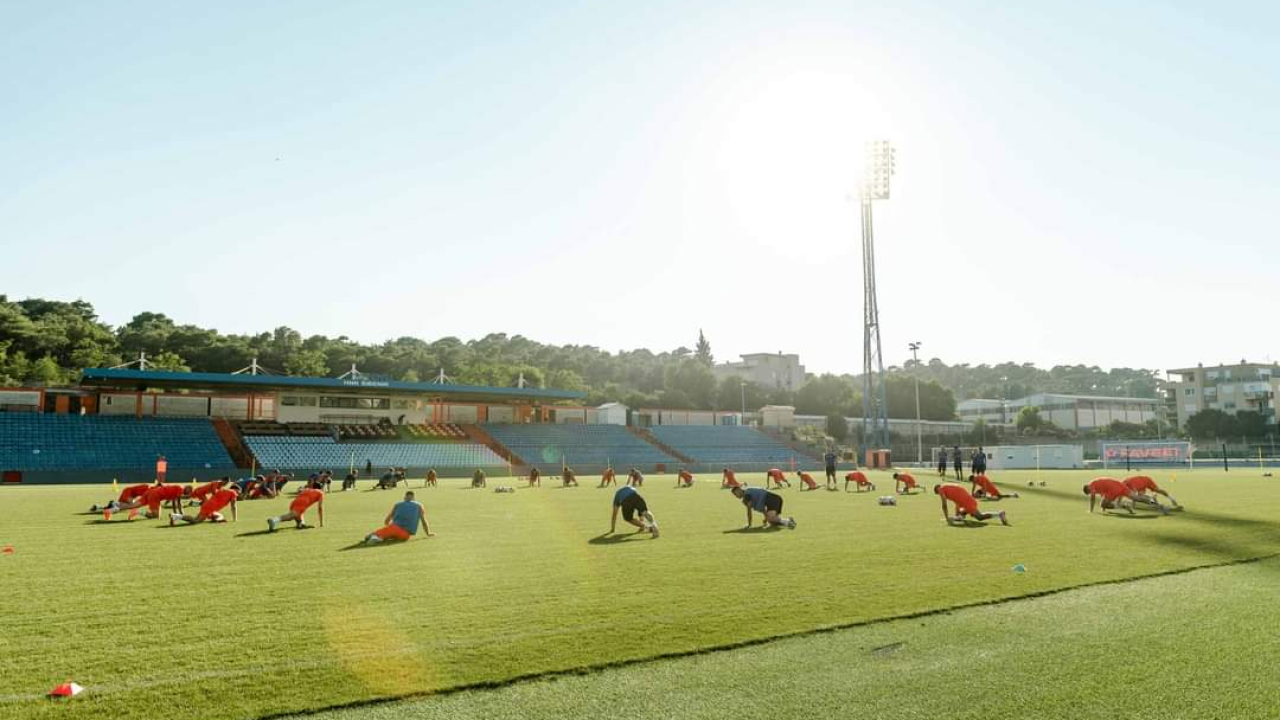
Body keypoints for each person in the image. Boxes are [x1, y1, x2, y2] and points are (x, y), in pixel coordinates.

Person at [362, 491, 433, 544]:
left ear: (405, 497)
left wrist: (389, 526)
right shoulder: (419, 505)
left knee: (388, 530)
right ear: (414, 498)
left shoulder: (398, 504)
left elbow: (387, 520)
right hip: (406, 535)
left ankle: (375, 536)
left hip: (396, 528)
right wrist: (428, 533)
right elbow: (424, 521)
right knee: (390, 532)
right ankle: (378, 536)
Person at [935, 483, 1009, 526]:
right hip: (968, 500)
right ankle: (959, 517)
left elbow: (944, 505)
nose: (940, 495)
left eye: (938, 494)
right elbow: (957, 500)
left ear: (937, 490)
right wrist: (956, 515)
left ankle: (999, 514)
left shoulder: (941, 489)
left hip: (967, 502)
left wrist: (947, 517)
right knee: (960, 514)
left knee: (980, 517)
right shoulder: (947, 487)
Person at [1084, 477, 1167, 515]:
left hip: (1113, 489)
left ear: (1088, 489)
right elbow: (1104, 493)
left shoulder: (1092, 486)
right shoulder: (1096, 483)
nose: (1091, 494)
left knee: (1102, 504)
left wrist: (1091, 510)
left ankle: (1122, 505)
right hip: (1120, 485)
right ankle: (1158, 505)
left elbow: (1093, 499)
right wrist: (1104, 506)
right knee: (1137, 498)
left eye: (1089, 493)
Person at [731, 486, 795, 529]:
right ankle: (788, 521)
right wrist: (766, 518)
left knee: (771, 519)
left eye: (735, 493)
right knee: (772, 522)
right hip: (775, 499)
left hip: (772, 499)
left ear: (739, 490)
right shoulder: (748, 493)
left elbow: (749, 511)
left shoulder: (747, 495)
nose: (735, 496)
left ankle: (788, 521)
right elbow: (763, 509)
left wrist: (749, 524)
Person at [114, 482, 188, 519]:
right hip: (155, 496)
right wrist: (179, 515)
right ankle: (137, 512)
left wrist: (178, 514)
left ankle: (114, 506)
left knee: (133, 505)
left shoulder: (175, 489)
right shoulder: (180, 489)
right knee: (156, 516)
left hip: (150, 493)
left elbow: (176, 503)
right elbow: (178, 504)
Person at [170, 485, 238, 525]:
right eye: (238, 492)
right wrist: (235, 519)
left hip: (207, 504)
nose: (238, 494)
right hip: (210, 507)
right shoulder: (233, 493)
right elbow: (233, 506)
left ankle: (217, 519)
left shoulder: (223, 490)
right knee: (196, 521)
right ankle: (175, 516)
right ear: (235, 489)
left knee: (218, 515)